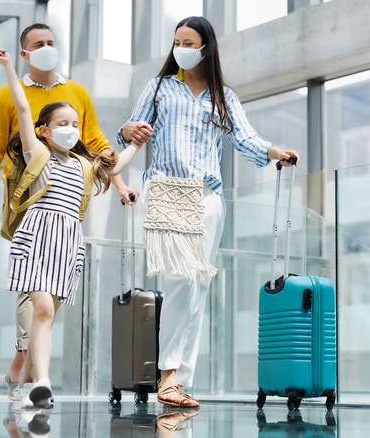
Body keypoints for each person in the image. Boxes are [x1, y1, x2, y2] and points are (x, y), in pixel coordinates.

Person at [117, 16, 300, 407]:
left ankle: (179, 380)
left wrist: (276, 153)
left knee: (198, 286)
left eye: (189, 41)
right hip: (166, 189)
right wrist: (129, 129)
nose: (180, 47)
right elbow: (129, 131)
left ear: (205, 48)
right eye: (176, 40)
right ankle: (167, 375)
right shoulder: (159, 88)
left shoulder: (223, 96)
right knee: (181, 278)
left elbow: (246, 139)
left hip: (208, 198)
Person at [0, 23, 139, 400]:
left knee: (48, 313)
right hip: (33, 223)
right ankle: (35, 376)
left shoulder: (79, 123)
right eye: (39, 43)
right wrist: (7, 71)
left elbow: (104, 156)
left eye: (51, 41)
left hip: (67, 240)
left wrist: (128, 160)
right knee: (39, 308)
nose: (48, 47)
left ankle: (27, 378)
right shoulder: (35, 144)